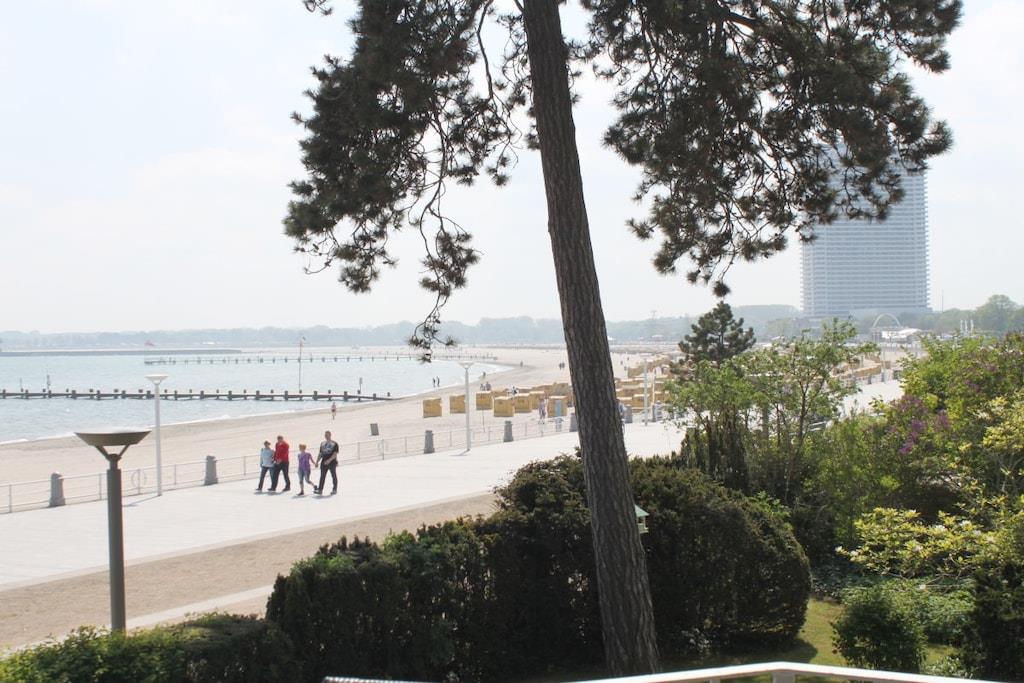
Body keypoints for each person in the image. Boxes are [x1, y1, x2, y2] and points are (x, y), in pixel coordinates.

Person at [314, 430, 339, 495]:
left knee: (333, 475)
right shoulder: (322, 443)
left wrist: (329, 460)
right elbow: (320, 454)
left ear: (330, 435)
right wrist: (317, 462)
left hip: (332, 462)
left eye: (327, 435)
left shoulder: (335, 443)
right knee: (322, 476)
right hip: (323, 462)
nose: (326, 436)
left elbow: (335, 454)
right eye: (325, 435)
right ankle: (320, 490)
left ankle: (334, 489)